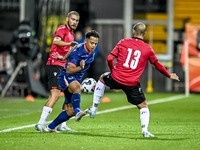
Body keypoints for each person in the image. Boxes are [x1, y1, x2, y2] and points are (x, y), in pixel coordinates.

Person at [88, 22, 180, 137]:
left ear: (134, 32)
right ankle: (145, 131)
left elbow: (109, 58)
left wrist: (113, 71)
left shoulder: (123, 42)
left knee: (102, 78)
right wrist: (169, 75)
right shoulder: (148, 49)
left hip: (116, 77)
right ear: (145, 34)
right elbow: (157, 65)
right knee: (143, 106)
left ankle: (94, 108)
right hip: (132, 83)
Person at [42, 30, 100, 132]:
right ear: (86, 41)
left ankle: (50, 127)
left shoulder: (91, 50)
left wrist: (63, 57)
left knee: (70, 111)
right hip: (66, 76)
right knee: (77, 87)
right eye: (91, 43)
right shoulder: (79, 52)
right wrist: (80, 68)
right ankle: (78, 112)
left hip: (75, 77)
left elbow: (73, 48)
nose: (93, 45)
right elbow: (68, 70)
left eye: (95, 43)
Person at [35, 11, 80, 132]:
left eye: (76, 20)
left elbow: (66, 51)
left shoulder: (71, 34)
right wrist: (69, 43)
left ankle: (62, 125)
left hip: (63, 67)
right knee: (55, 95)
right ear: (67, 19)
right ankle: (41, 123)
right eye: (73, 19)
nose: (74, 22)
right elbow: (56, 41)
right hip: (54, 65)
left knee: (69, 95)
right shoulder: (62, 29)